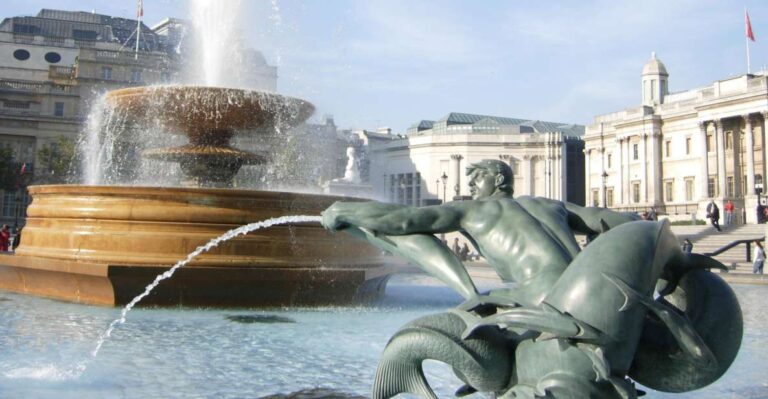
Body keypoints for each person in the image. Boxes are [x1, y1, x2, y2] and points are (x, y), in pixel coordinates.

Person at [322, 159, 640, 305]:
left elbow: (406, 222)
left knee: (466, 317)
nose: (471, 187)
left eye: (478, 180)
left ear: (499, 181)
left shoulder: (473, 210)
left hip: (547, 298)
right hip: (594, 292)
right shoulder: (549, 204)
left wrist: (344, 211)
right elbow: (605, 218)